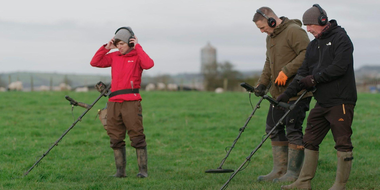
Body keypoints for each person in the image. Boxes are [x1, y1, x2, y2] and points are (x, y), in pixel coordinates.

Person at [279, 4, 356, 190]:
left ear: (323, 21)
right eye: (306, 25)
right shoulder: (313, 45)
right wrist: (285, 95)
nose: (308, 29)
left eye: (310, 25)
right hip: (321, 102)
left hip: (341, 101)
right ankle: (303, 182)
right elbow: (302, 73)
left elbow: (339, 67)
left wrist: (313, 79)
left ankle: (339, 185)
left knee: (343, 143)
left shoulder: (342, 39)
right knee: (310, 140)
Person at [252, 7, 313, 182]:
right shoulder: (270, 38)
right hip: (277, 94)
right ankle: (279, 171)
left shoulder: (294, 31)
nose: (262, 31)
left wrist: (287, 70)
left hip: (297, 91)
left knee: (293, 130)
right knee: (273, 127)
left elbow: (307, 53)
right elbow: (268, 62)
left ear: (272, 21)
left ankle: (293, 173)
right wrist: (262, 83)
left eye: (263, 27)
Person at [90, 26, 154, 178]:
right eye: (117, 44)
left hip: (131, 102)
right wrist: (106, 48)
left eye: (122, 44)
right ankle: (120, 172)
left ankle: (143, 172)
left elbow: (149, 64)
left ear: (130, 43)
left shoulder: (138, 56)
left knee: (137, 136)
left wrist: (138, 47)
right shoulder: (114, 57)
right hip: (113, 103)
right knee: (115, 137)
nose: (119, 47)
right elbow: (95, 62)